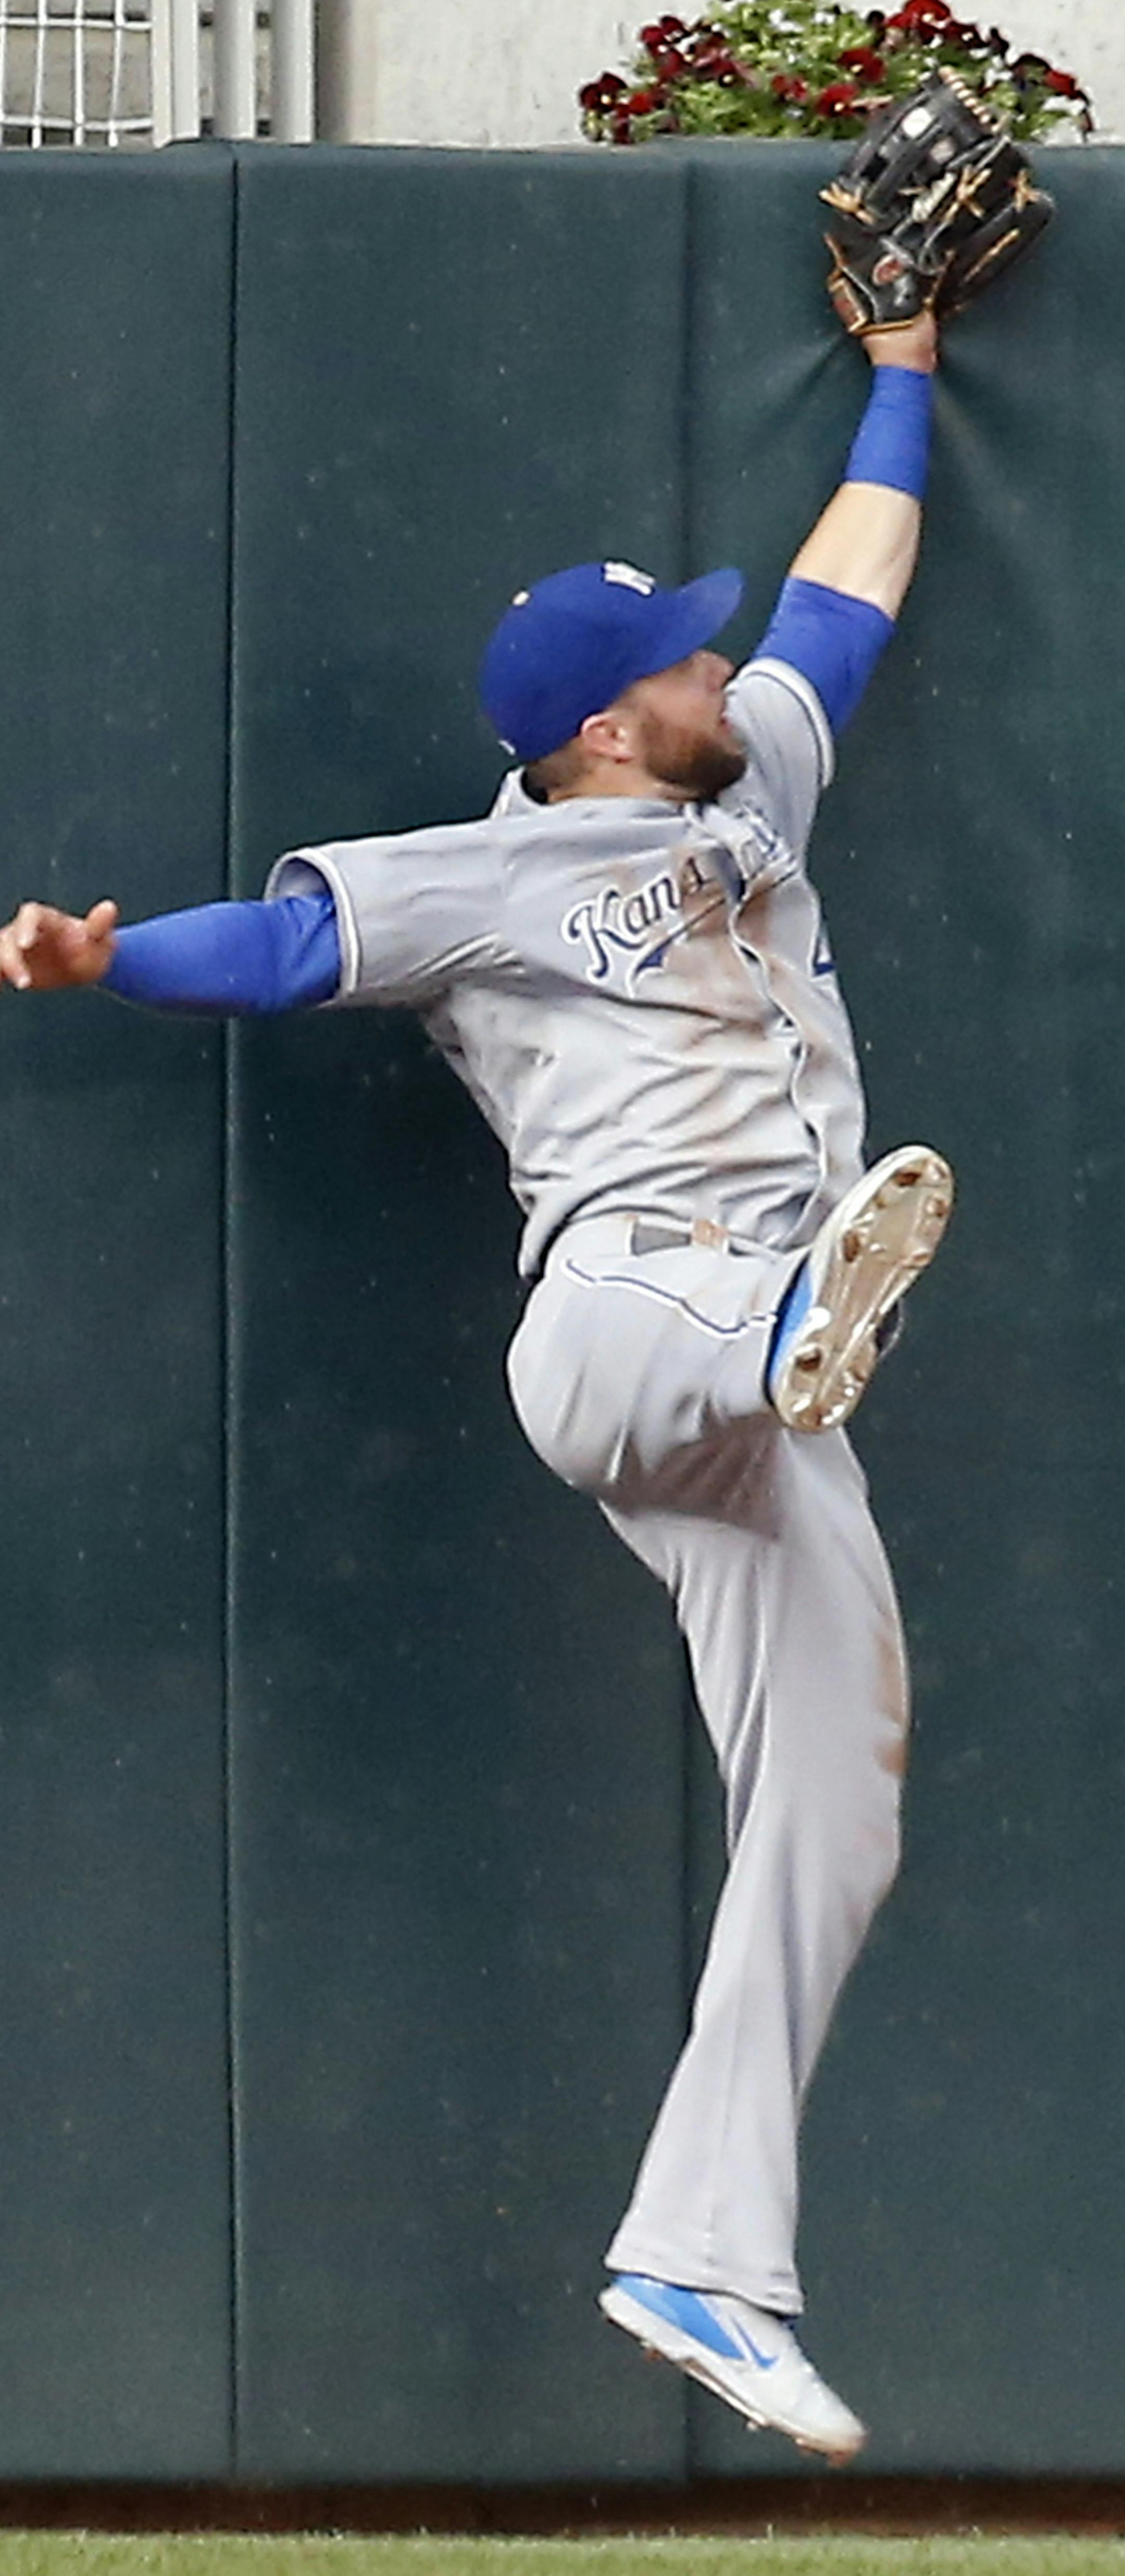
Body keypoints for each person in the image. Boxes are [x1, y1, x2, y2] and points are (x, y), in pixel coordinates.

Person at [0, 304, 953, 2465]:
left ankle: (700, 2255)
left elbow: (849, 588)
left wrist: (902, 364)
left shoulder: (757, 780)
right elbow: (277, 948)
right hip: (625, 1318)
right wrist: (97, 960)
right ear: (613, 724)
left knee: (838, 1808)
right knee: (738, 1339)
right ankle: (800, 1323)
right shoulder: (490, 868)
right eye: (689, 659)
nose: (730, 668)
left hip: (762, 1406)